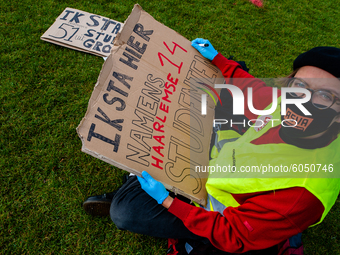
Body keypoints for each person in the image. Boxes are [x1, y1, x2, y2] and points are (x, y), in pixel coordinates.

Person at [83, 38, 340, 254]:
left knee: (126, 211)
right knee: (216, 89)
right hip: (217, 169)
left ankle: (136, 181)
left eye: (326, 95)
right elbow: (258, 92)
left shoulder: (302, 192)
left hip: (223, 217)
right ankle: (141, 177)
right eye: (300, 86)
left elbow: (233, 235)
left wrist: (169, 203)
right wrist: (219, 60)